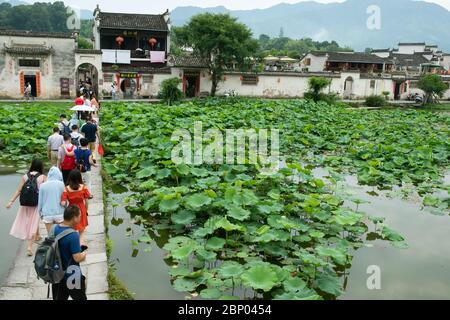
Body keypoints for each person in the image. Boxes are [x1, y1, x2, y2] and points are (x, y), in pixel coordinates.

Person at [6, 160, 47, 256]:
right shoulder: (43, 177)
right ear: (41, 167)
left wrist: (11, 201)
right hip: (36, 203)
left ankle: (37, 235)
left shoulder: (25, 176)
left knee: (31, 221)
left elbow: (19, 190)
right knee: (33, 222)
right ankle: (29, 247)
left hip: (25, 203)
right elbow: (45, 191)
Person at [51, 205, 87, 300]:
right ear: (74, 218)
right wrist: (84, 254)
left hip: (56, 274)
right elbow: (77, 258)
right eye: (80, 216)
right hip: (72, 275)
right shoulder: (73, 235)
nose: (80, 218)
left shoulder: (54, 228)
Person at [61, 170, 91, 246]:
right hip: (81, 209)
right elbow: (87, 201)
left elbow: (63, 203)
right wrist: (86, 210)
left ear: (70, 178)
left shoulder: (66, 189)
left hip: (71, 209)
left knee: (72, 228)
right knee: (81, 231)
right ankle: (81, 245)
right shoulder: (83, 187)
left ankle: (74, 244)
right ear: (79, 178)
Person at [38, 167, 65, 235]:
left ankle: (52, 245)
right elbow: (64, 198)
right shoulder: (61, 184)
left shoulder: (42, 186)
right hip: (60, 213)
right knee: (60, 235)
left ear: (49, 174)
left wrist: (40, 213)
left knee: (50, 235)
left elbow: (40, 201)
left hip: (47, 214)